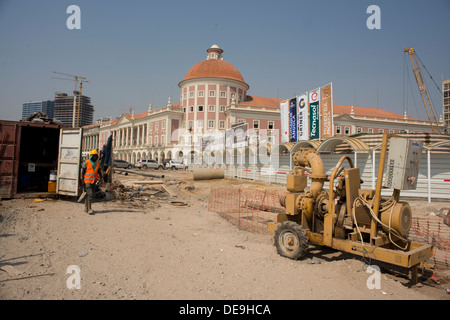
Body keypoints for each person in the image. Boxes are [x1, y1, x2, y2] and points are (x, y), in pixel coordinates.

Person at [81, 149, 101, 215]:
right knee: (90, 194)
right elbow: (83, 171)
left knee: (88, 194)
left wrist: (101, 177)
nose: (95, 157)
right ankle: (89, 209)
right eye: (94, 156)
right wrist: (82, 180)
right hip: (87, 180)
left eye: (96, 156)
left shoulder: (98, 163)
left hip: (93, 181)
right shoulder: (87, 162)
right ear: (91, 156)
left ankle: (86, 208)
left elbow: (99, 171)